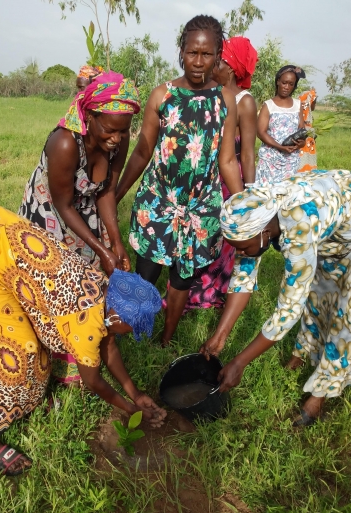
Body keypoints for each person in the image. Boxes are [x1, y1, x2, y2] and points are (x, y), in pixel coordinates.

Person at [0, 200, 167, 476]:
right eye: (134, 327)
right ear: (117, 318)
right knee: (17, 356)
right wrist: (129, 408)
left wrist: (135, 393)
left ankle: (24, 400)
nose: (134, 333)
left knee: (35, 352)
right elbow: (94, 380)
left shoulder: (101, 285)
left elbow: (109, 345)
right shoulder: (85, 326)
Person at [115, 15, 243, 345]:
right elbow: (143, 152)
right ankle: (134, 331)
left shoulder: (226, 100)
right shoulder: (162, 96)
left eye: (206, 54)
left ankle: (166, 338)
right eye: (192, 53)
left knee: (182, 279)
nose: (198, 63)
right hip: (158, 202)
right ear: (181, 51)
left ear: (217, 55)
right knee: (146, 273)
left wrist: (243, 205)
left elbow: (227, 159)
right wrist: (116, 195)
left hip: (201, 208)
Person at [200, 169, 351, 426]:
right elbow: (243, 278)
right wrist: (221, 334)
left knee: (343, 318)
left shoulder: (299, 228)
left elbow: (288, 309)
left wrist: (240, 362)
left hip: (341, 221)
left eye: (243, 247)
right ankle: (301, 355)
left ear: (264, 232)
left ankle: (319, 396)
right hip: (331, 225)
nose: (242, 253)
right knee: (318, 297)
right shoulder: (257, 212)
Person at [19, 71, 140, 383]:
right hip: (50, 215)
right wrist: (100, 247)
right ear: (91, 115)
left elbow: (107, 192)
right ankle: (54, 354)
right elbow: (63, 205)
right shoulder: (64, 143)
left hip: (85, 210)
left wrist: (115, 242)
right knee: (56, 285)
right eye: (111, 130)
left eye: (123, 131)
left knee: (90, 278)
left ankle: (83, 343)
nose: (116, 138)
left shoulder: (119, 138)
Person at [175, 35, 258, 312]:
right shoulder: (210, 93)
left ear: (231, 68)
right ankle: (187, 284)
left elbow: (246, 152)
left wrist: (248, 197)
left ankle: (209, 292)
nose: (213, 65)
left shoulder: (244, 102)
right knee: (197, 236)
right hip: (201, 180)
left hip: (227, 181)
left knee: (219, 241)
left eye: (219, 60)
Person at [256, 65, 307, 184]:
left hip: (291, 160)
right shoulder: (269, 105)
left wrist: (301, 143)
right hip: (271, 160)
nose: (287, 87)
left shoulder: (297, 105)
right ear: (278, 81)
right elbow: (261, 132)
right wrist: (280, 147)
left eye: (291, 84)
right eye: (284, 83)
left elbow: (301, 129)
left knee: (288, 195)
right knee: (267, 195)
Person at [298, 89, 318, 172]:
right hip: (306, 141)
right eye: (314, 102)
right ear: (310, 102)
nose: (314, 105)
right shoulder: (305, 122)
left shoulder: (298, 110)